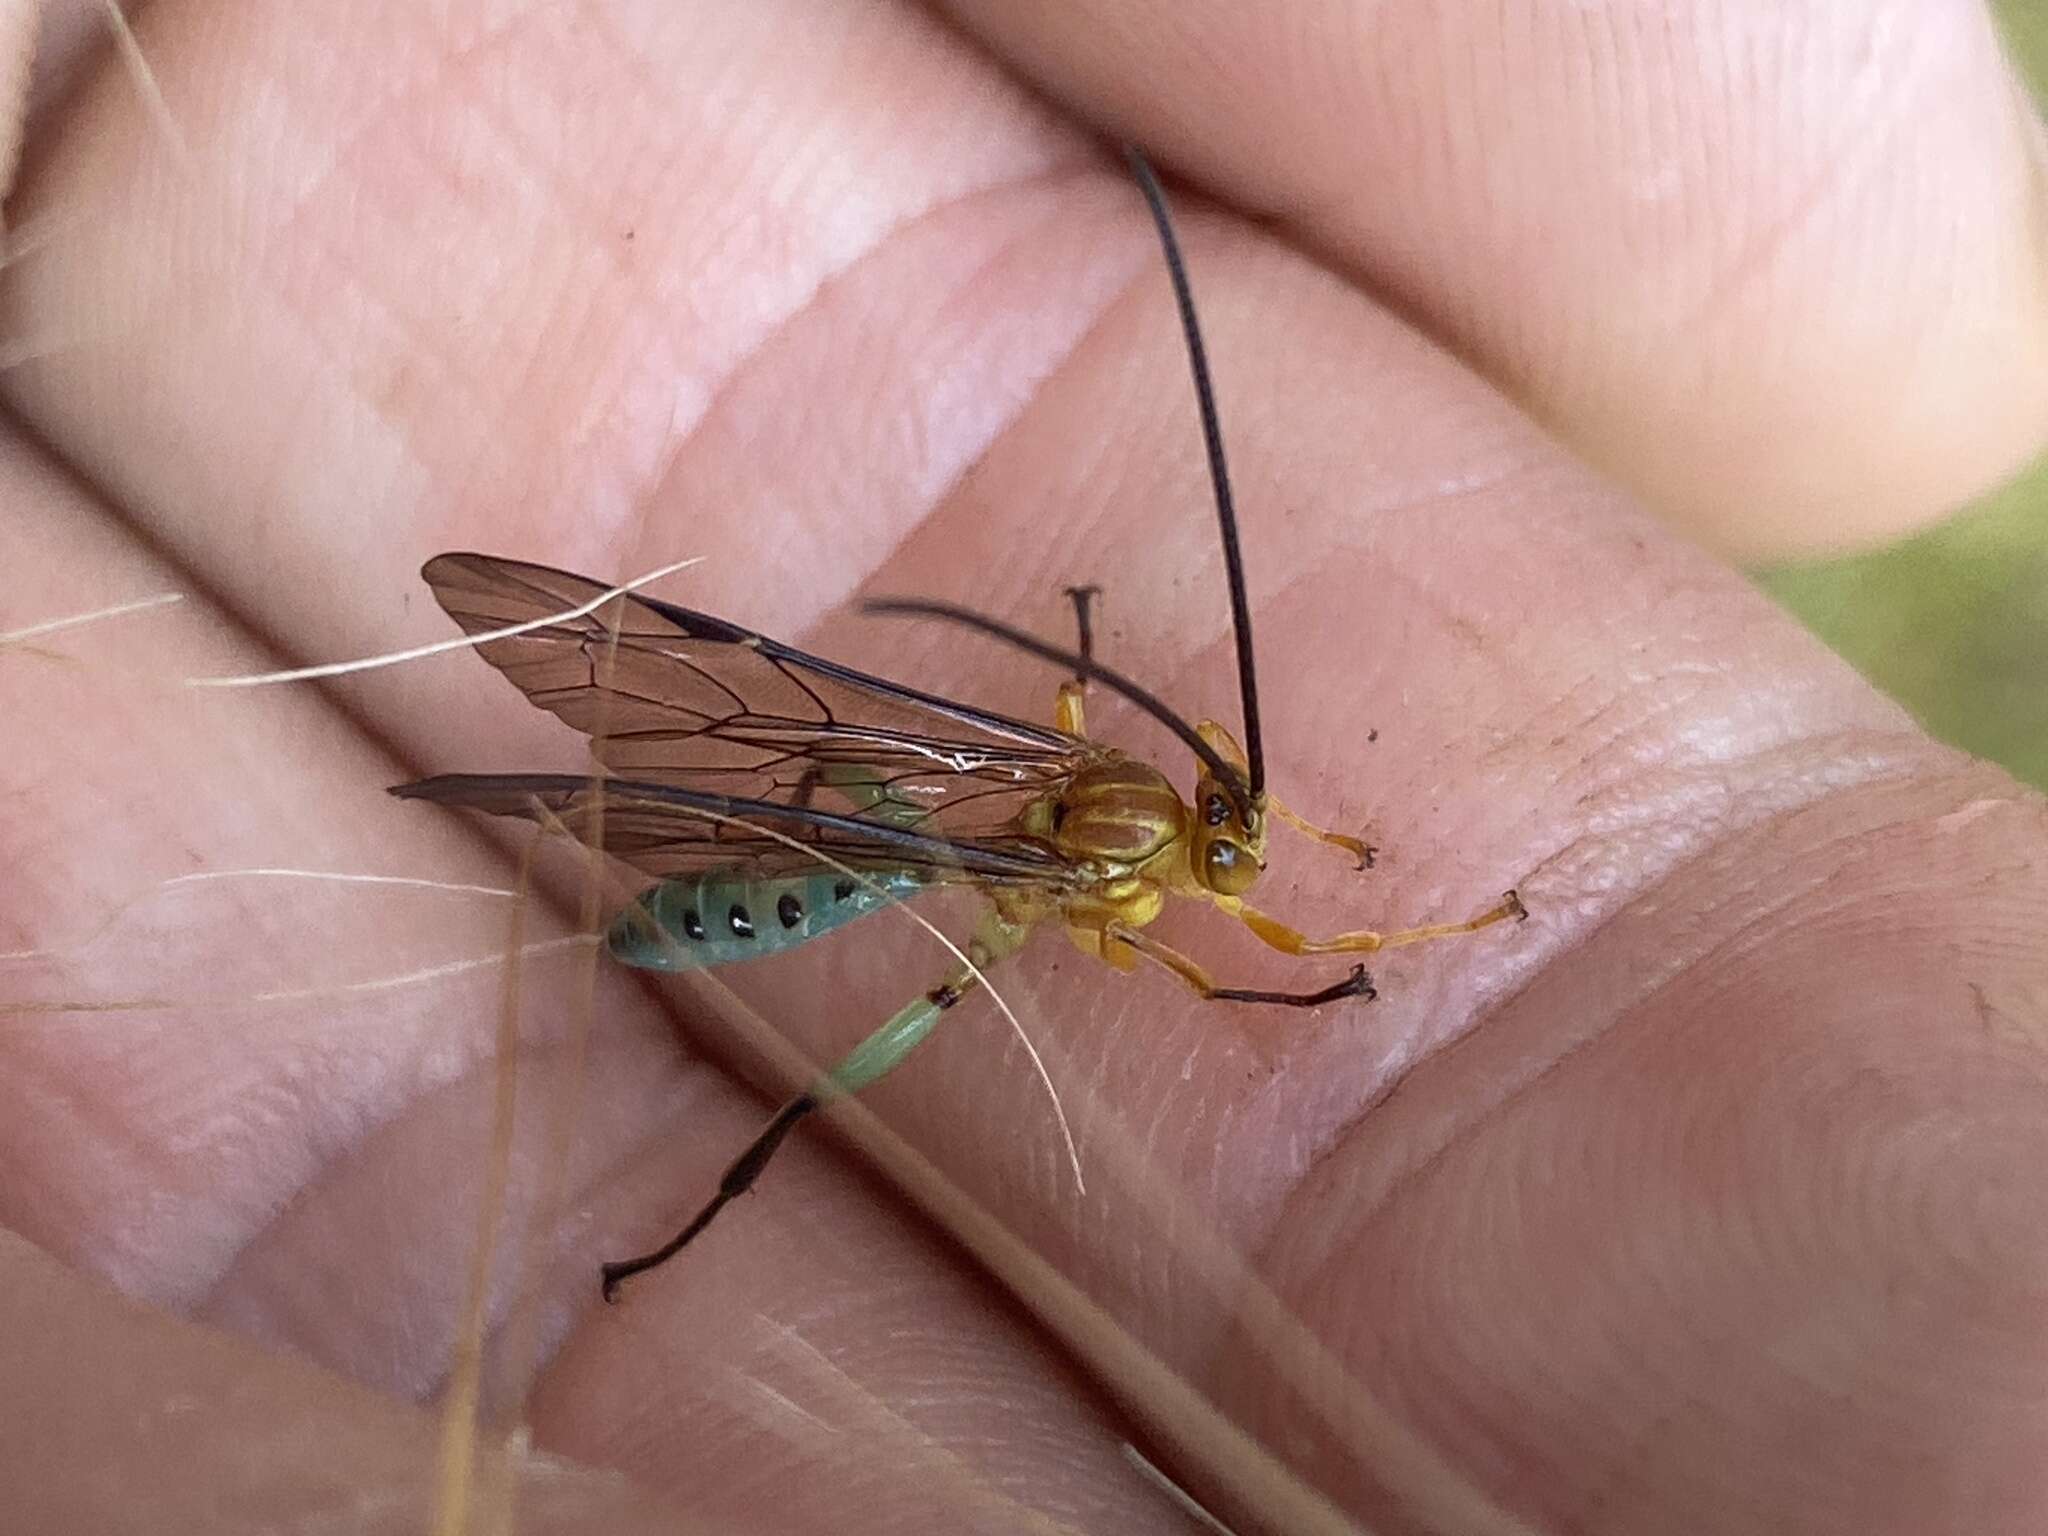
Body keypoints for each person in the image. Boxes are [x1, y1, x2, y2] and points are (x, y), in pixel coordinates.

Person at [3, 2, 2043, 1530]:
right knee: (850, 1038)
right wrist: (1352, 937)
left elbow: (1170, 844)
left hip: (891, 816)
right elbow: (1207, 945)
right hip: (834, 846)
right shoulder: (1117, 873)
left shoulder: (1117, 816)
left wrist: (1215, 818)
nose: (1242, 839)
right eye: (1233, 828)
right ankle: (709, 1188)